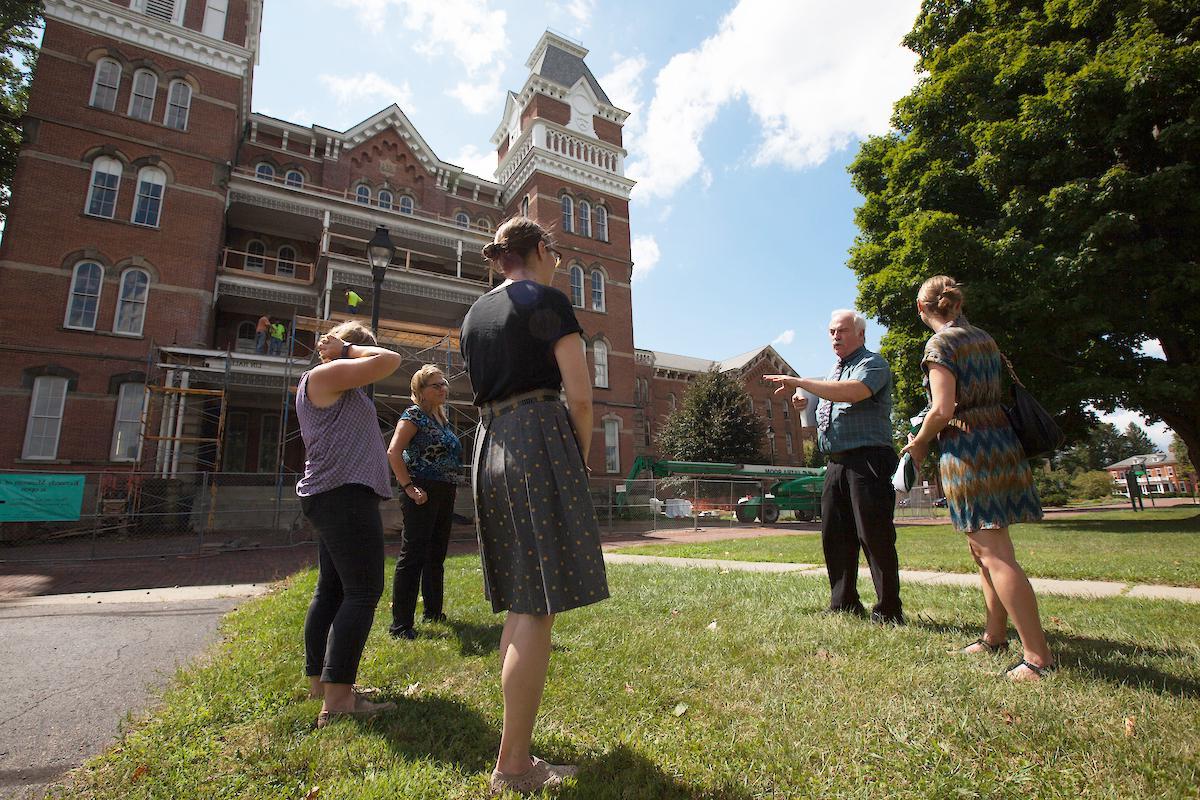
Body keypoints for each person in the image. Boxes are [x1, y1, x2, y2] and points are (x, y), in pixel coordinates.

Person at [461, 216, 608, 794]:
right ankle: (514, 766)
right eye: (555, 251)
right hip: (536, 438)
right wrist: (578, 455)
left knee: (523, 600)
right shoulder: (545, 298)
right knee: (537, 606)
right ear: (542, 250)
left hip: (489, 445)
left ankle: (514, 752)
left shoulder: (475, 313)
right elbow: (581, 395)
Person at [900, 276, 1054, 681]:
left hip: (969, 449)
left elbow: (942, 408)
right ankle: (994, 635)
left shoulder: (940, 345)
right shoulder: (984, 338)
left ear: (922, 309)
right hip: (1002, 442)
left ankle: (1037, 657)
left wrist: (917, 444)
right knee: (982, 549)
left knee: (994, 553)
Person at [765, 310, 904, 625]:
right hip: (837, 463)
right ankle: (844, 603)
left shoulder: (873, 364)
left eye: (841, 331)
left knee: (875, 535)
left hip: (869, 459)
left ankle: (889, 610)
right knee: (835, 534)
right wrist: (807, 404)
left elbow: (855, 392)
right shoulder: (833, 373)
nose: (835, 337)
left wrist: (802, 383)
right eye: (831, 332)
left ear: (860, 334)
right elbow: (823, 409)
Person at [295, 320, 402, 726]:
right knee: (362, 591)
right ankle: (338, 700)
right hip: (343, 495)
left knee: (333, 590)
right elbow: (390, 360)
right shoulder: (328, 373)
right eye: (363, 352)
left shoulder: (335, 384)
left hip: (337, 494)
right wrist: (347, 352)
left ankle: (323, 683)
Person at [386, 364, 462, 640]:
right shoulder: (413, 415)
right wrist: (409, 487)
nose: (443, 389)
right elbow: (394, 452)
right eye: (436, 385)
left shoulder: (441, 418)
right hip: (421, 490)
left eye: (444, 384)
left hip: (444, 491)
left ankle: (433, 612)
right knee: (413, 555)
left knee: (436, 555)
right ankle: (401, 625)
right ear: (420, 390)